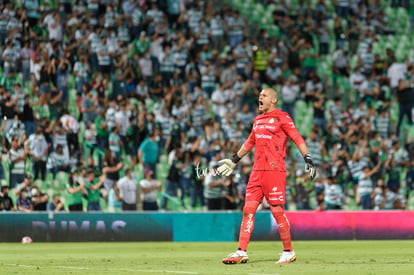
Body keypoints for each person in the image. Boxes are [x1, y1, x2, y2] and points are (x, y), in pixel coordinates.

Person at [218, 88, 316, 264]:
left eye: (264, 95)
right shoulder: (257, 120)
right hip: (256, 172)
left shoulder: (282, 117)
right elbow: (250, 142)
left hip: (274, 170)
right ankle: (241, 251)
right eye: (259, 95)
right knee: (248, 211)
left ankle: (288, 251)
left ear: (274, 100)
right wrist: (234, 160)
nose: (259, 98)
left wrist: (307, 158)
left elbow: (297, 138)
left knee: (277, 211)